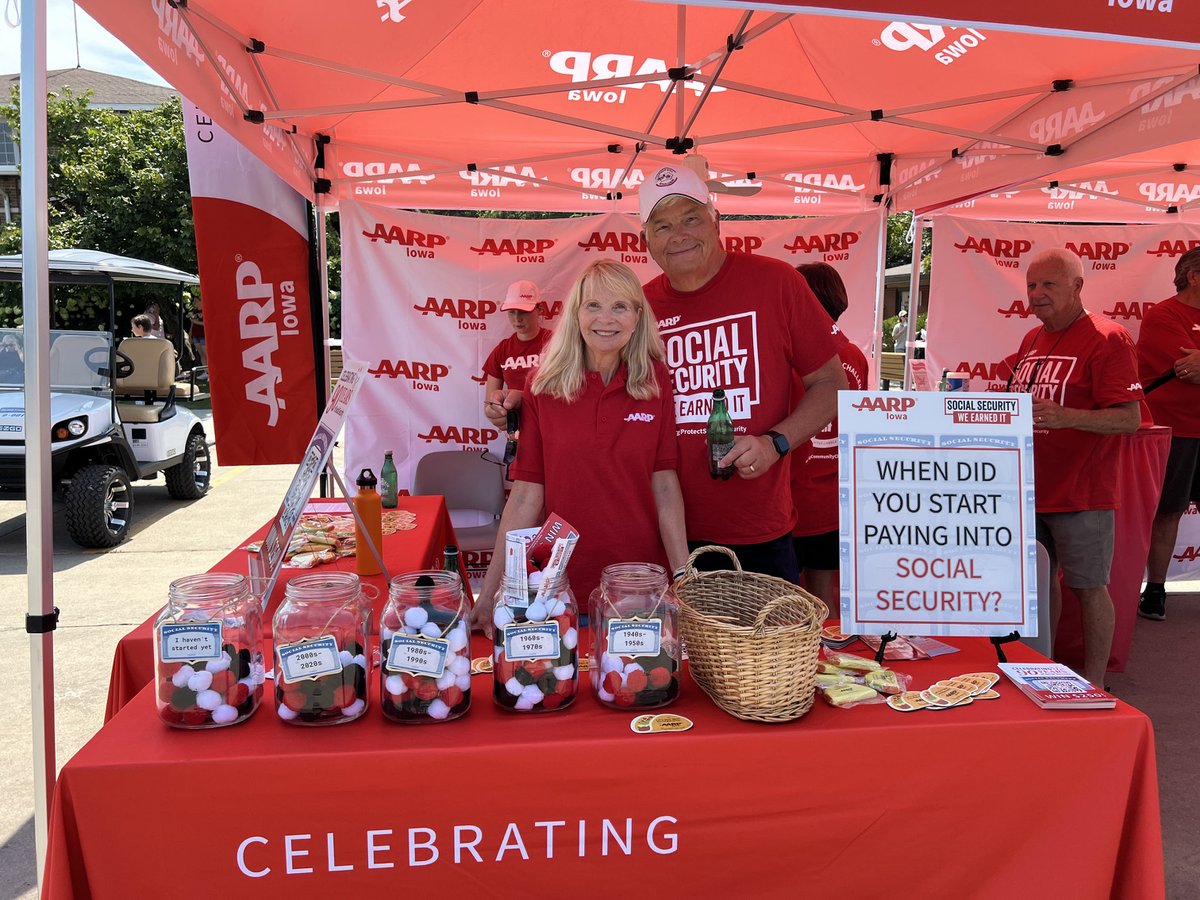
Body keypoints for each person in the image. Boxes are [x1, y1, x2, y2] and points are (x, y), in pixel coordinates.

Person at [638, 163, 847, 582]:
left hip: (757, 532)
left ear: (717, 222)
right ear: (646, 242)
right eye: (661, 226)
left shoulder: (777, 283)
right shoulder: (638, 307)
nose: (678, 236)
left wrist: (775, 443)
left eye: (691, 219)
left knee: (766, 648)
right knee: (672, 650)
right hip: (663, 532)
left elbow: (831, 384)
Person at [472, 259, 688, 634]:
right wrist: (488, 593)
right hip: (557, 588)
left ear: (637, 316)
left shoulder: (655, 382)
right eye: (593, 306)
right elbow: (526, 495)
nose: (606, 318)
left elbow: (665, 485)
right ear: (575, 313)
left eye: (619, 306)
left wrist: (685, 579)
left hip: (638, 587)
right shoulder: (544, 384)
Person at [1007, 248, 1142, 686]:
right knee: (1038, 586)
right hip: (1029, 488)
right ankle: (1043, 672)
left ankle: (1097, 681)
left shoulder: (1108, 338)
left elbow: (1129, 419)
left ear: (1078, 287)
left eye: (1049, 284)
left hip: (1083, 491)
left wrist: (1069, 417)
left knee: (1088, 588)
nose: (1037, 294)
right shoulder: (1031, 340)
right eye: (1031, 285)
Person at [791, 263, 868, 607]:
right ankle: (830, 658)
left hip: (796, 493)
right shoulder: (855, 355)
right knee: (826, 598)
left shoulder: (798, 355)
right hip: (836, 497)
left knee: (786, 601)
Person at [1136, 247, 1200, 621]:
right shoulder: (1164, 314)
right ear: (1193, 276)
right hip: (1176, 430)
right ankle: (1155, 589)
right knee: (1168, 511)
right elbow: (1186, 368)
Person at [482, 280, 551, 429]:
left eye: (524, 311)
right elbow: (489, 403)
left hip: (553, 427)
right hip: (519, 432)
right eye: (512, 312)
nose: (517, 318)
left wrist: (524, 398)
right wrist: (496, 412)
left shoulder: (559, 344)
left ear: (539, 309)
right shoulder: (502, 350)